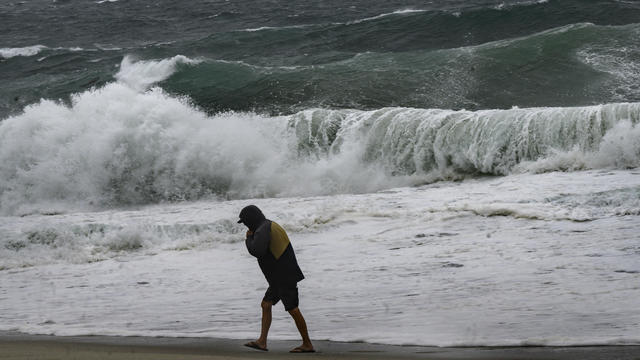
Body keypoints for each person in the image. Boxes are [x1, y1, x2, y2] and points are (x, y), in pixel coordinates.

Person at [237, 205, 315, 353]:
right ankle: (262, 341)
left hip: (283, 276)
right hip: (280, 276)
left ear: (251, 220)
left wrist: (248, 238)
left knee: (292, 308)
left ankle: (307, 344)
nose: (245, 225)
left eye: (245, 222)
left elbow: (257, 251)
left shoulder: (262, 229)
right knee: (266, 305)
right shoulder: (268, 225)